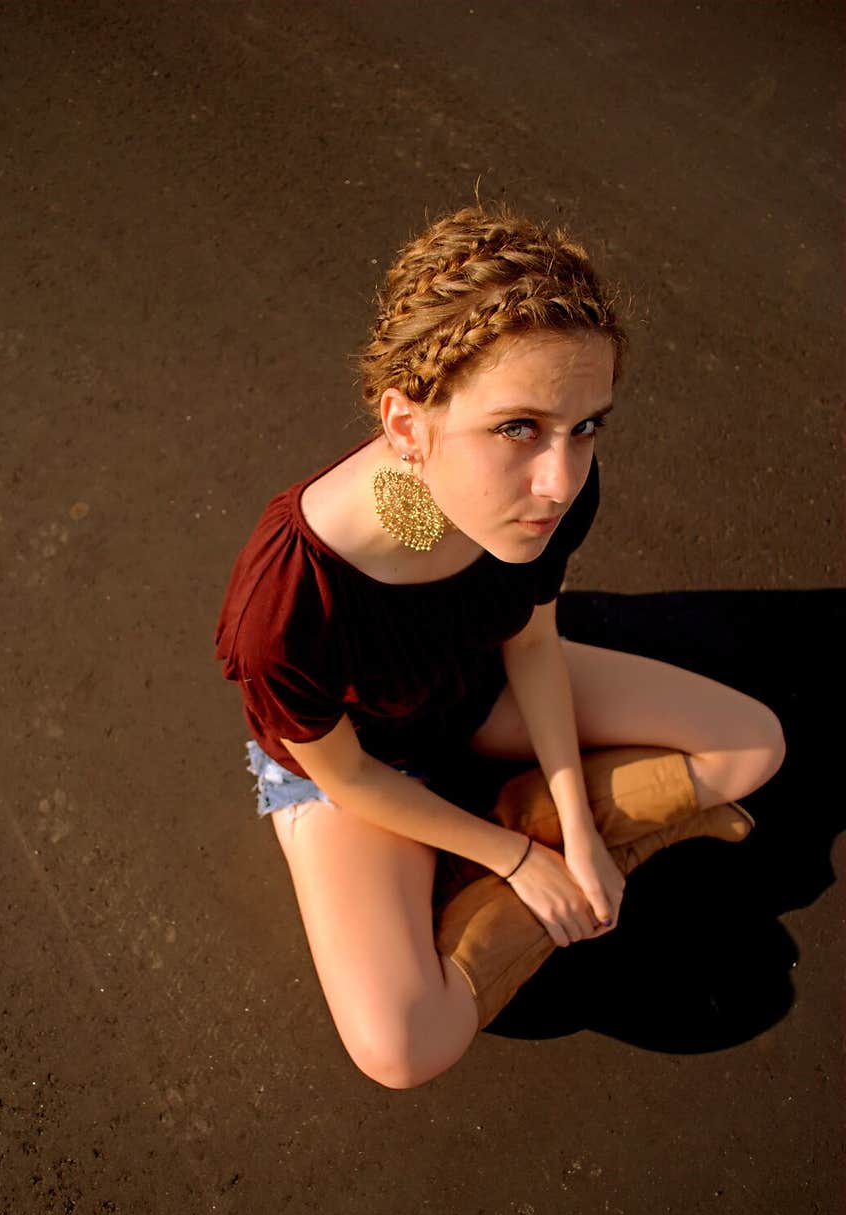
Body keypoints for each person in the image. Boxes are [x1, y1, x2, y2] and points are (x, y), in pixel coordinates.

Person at [215, 204, 785, 1089]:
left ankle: (571, 822)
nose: (560, 479)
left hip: (479, 692)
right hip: (368, 767)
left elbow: (532, 641)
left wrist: (584, 839)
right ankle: (528, 837)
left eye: (587, 425)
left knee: (756, 747)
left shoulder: (543, 499)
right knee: (403, 1048)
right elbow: (348, 777)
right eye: (519, 427)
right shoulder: (287, 603)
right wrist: (513, 859)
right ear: (407, 426)